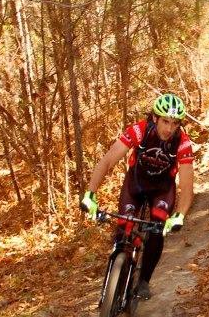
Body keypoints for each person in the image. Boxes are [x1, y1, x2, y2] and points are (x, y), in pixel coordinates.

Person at [80, 93, 194, 299]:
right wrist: (90, 193)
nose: (169, 129)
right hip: (135, 185)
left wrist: (180, 215)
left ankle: (143, 281)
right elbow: (107, 161)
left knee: (158, 228)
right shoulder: (139, 130)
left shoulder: (182, 143)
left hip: (162, 189)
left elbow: (186, 186)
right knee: (124, 225)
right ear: (154, 118)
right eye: (165, 121)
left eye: (175, 123)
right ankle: (117, 265)